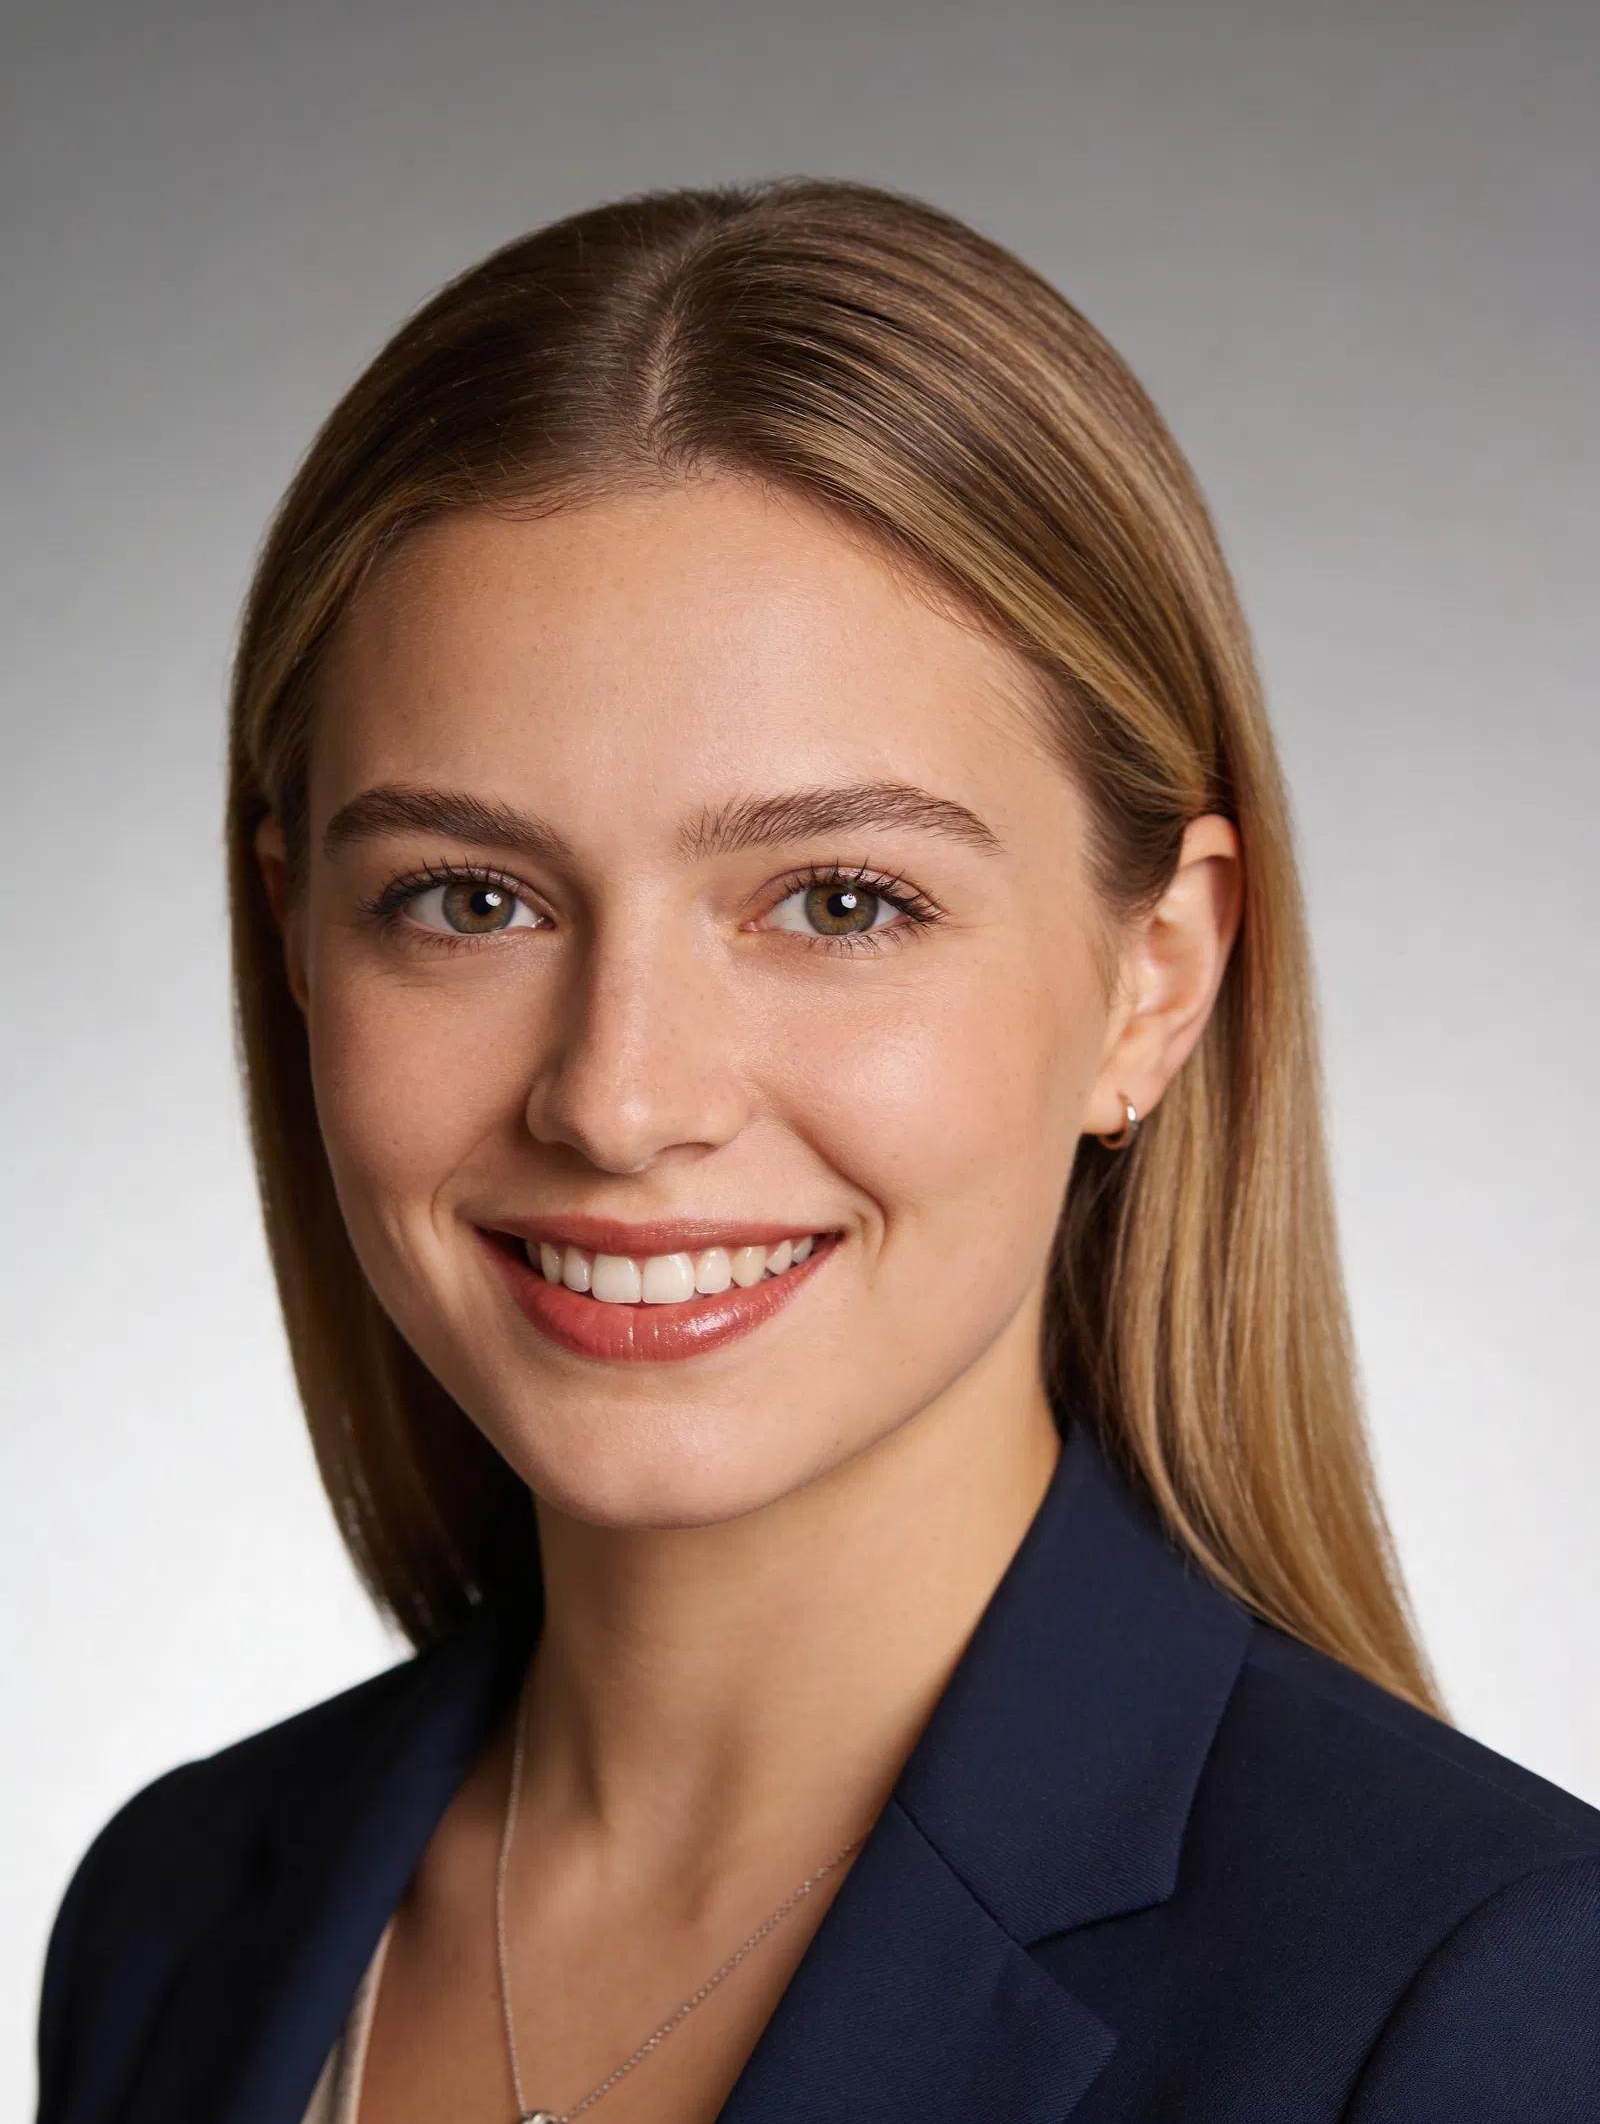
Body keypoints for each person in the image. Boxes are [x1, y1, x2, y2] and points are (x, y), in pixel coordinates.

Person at [36, 180, 1598, 2124]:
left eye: (841, 902)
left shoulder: (1485, 2006)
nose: (617, 1099)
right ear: (294, 936)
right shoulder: (176, 1920)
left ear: (1155, 975)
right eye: (467, 898)